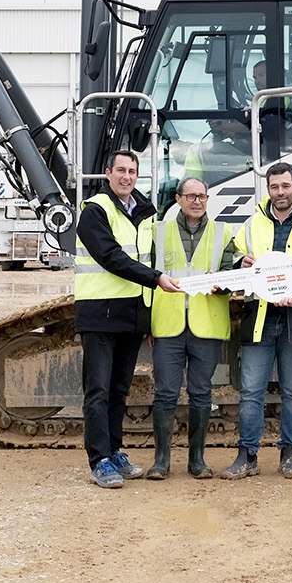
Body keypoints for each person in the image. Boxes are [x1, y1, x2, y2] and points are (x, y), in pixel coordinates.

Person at [75, 150, 182, 489]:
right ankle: (99, 461)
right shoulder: (94, 212)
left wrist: (149, 317)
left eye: (132, 171)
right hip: (100, 313)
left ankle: (116, 451)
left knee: (118, 391)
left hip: (132, 314)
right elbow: (110, 257)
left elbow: (155, 254)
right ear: (108, 173)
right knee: (98, 391)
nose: (126, 176)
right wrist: (156, 279)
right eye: (120, 170)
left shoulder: (146, 213)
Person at [221, 161, 292, 480]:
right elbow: (229, 261)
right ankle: (247, 455)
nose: (280, 192)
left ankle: (289, 454)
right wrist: (241, 261)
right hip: (260, 317)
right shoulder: (252, 224)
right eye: (274, 187)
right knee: (251, 390)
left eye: (285, 186)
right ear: (268, 190)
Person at [145, 177, 236, 480]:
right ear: (179, 199)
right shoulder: (159, 232)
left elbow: (233, 278)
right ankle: (161, 461)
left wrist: (220, 282)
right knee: (166, 393)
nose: (197, 201)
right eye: (191, 196)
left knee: (201, 393)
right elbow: (147, 279)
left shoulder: (223, 233)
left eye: (202, 196)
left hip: (205, 327)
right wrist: (147, 323)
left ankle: (197, 460)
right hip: (168, 326)